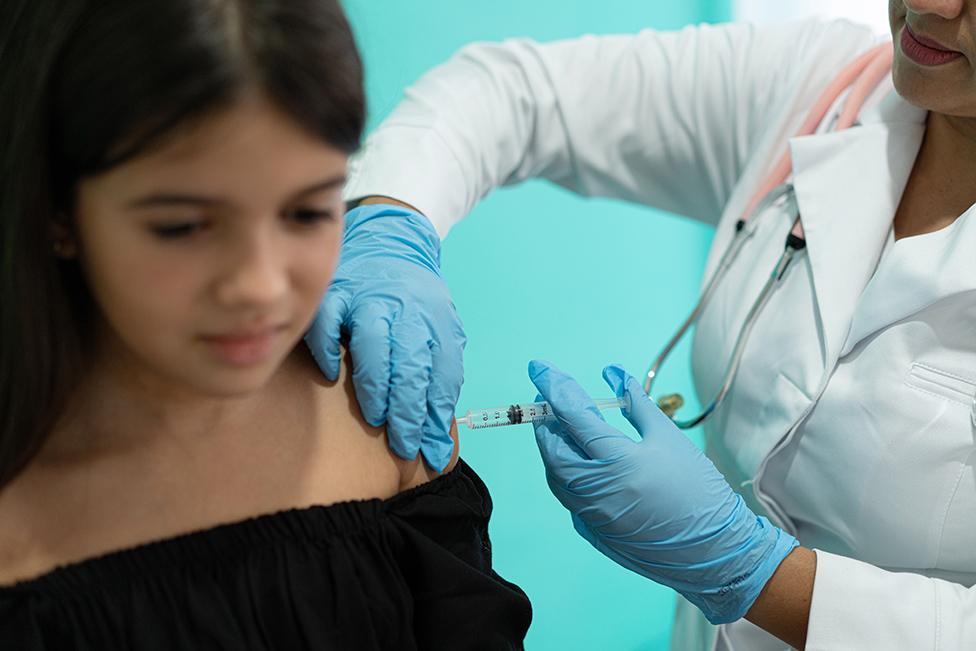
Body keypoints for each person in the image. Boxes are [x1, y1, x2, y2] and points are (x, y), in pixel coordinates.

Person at [315, 0, 976, 649]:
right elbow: (513, 91)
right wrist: (393, 221)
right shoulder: (831, 91)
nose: (927, 2)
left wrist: (754, 570)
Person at [0, 1, 531, 648]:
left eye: (308, 211)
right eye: (184, 225)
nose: (260, 286)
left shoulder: (380, 417)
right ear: (58, 212)